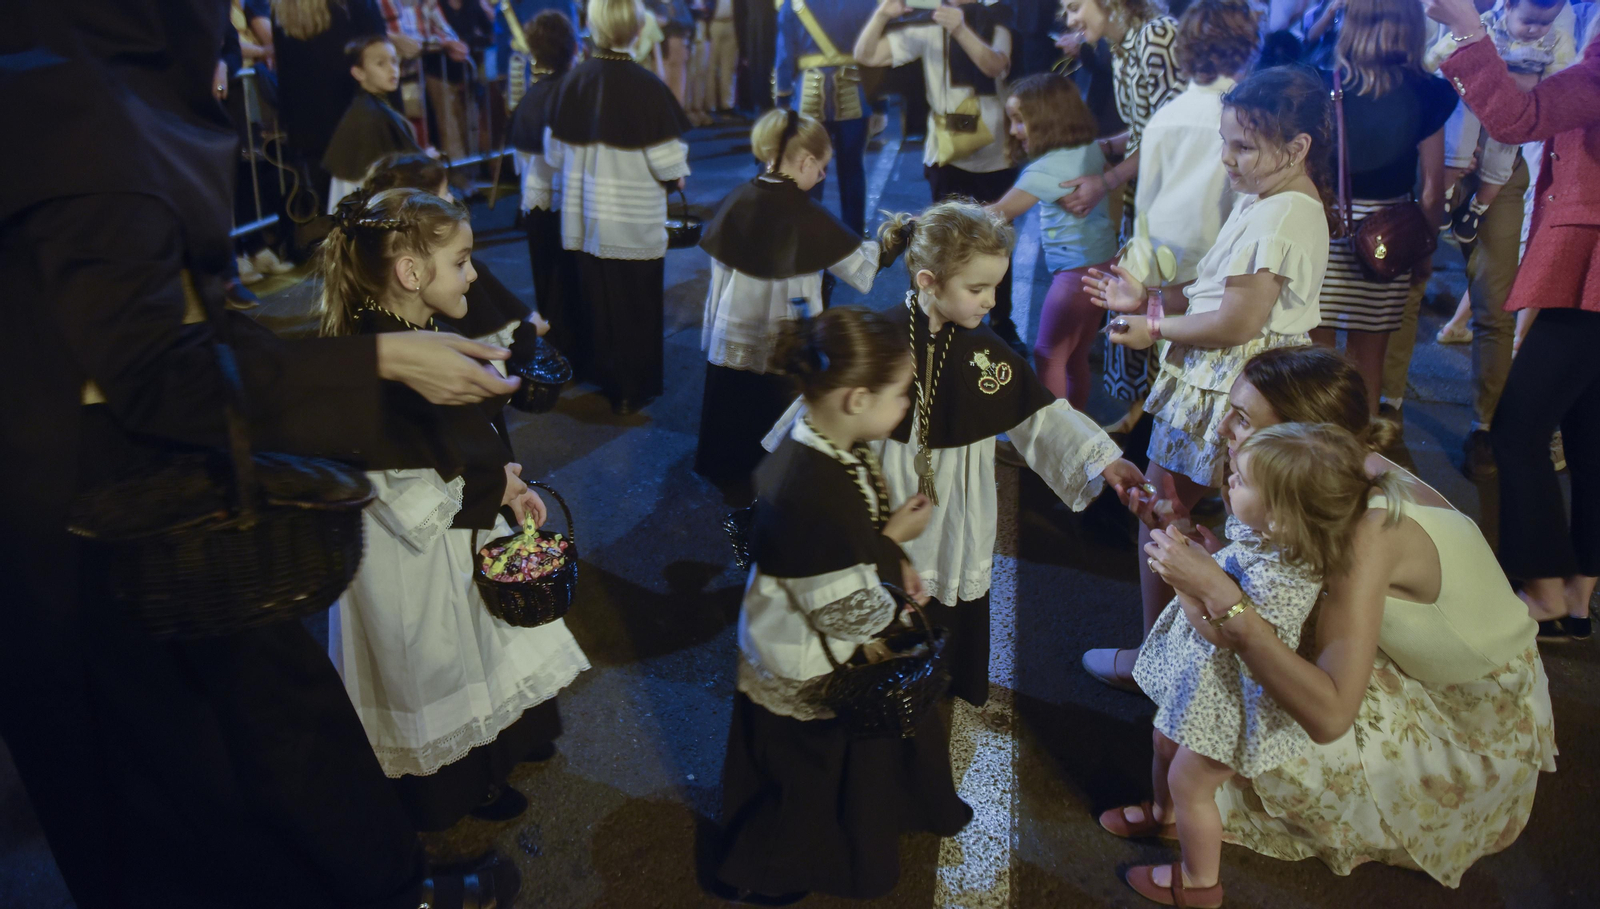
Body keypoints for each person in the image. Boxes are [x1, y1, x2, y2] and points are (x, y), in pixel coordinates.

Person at [0, 2, 527, 906]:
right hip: (96, 505)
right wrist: (386, 359)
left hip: (93, 485)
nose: (228, 63)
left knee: (238, 740)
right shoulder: (81, 115)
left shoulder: (57, 79)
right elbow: (156, 370)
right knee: (209, 759)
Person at [1122, 345, 1557, 889]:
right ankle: (1180, 800)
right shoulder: (1331, 478)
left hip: (1473, 708)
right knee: (1221, 694)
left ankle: (1197, 867)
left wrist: (1216, 594)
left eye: (1244, 419)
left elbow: (1328, 716)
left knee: (1243, 723)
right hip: (1411, 653)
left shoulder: (1363, 533)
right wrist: (1194, 546)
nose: (1223, 427)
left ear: (1303, 438)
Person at [768, 200, 1144, 707]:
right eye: (977, 289)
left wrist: (1103, 459)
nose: (990, 301)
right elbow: (831, 405)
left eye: (995, 287)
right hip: (890, 480)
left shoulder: (986, 350)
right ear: (928, 281)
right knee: (882, 580)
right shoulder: (881, 339)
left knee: (948, 577)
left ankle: (946, 676)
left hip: (956, 492)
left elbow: (1039, 414)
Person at [317, 187, 590, 832]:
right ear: (411, 273)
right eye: (464, 261)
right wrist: (490, 491)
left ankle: (506, 745)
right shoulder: (372, 367)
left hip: (461, 519)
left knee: (484, 638)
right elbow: (395, 493)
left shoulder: (420, 330)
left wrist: (506, 479)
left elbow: (468, 433)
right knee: (434, 660)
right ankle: (457, 787)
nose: (474, 273)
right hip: (411, 556)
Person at [1081, 65, 1332, 690]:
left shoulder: (1279, 215)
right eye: (1226, 142)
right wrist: (1153, 297)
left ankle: (1159, 661)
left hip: (1231, 382)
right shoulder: (1275, 200)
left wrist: (1154, 328)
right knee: (1199, 515)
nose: (1226, 159)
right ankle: (1190, 652)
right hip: (1246, 379)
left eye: (1243, 146)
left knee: (1165, 511)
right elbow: (1225, 295)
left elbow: (1237, 321)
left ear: (1297, 147)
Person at [714, 307, 970, 904]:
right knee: (805, 778)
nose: (906, 405)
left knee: (815, 768)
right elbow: (848, 613)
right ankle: (772, 874)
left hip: (789, 622)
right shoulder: (813, 491)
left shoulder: (816, 436)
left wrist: (883, 546)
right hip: (809, 657)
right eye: (902, 394)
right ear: (857, 398)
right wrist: (895, 564)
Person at [1113, 423, 1402, 907]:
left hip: (1235, 700)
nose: (1229, 479)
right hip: (1209, 686)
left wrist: (1187, 584)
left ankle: (1200, 881)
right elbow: (1233, 569)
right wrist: (1198, 545)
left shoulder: (1289, 577)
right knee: (1164, 738)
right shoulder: (1274, 538)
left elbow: (1224, 631)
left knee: (1191, 779)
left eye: (1243, 481)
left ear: (1285, 518)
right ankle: (1163, 816)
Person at [1426, 0, 1600, 638]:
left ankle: (1547, 592)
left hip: (1592, 272)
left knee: (1519, 431)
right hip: (1585, 267)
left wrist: (1469, 29)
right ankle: (1576, 595)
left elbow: (1519, 117)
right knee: (1588, 440)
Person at [695, 109, 899, 483]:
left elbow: (718, 275)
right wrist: (891, 245)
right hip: (784, 335)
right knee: (773, 406)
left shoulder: (738, 199)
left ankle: (723, 470)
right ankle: (768, 478)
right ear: (806, 161)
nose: (821, 177)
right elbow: (859, 269)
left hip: (734, 328)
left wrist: (712, 333)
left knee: (734, 403)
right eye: (821, 169)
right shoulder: (808, 214)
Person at [854, 0, 1031, 354]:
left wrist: (960, 28)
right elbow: (867, 54)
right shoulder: (928, 22)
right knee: (943, 241)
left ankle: (999, 319)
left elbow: (995, 64)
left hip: (994, 152)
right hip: (947, 153)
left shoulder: (995, 16)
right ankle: (935, 317)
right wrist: (883, 14)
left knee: (996, 241)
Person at [543, 0, 693, 414]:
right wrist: (677, 175)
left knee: (598, 303)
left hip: (586, 219)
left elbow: (553, 156)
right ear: (636, 28)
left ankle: (601, 376)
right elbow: (668, 164)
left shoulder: (573, 81)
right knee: (636, 308)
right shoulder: (647, 86)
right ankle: (632, 389)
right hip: (632, 220)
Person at [1308, 0, 1454, 417]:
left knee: (1316, 355)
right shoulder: (1429, 93)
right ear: (1411, 27)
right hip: (1388, 236)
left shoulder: (1323, 83)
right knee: (1368, 358)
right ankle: (1360, 452)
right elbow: (1431, 187)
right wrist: (1424, 252)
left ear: (1350, 23)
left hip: (1325, 226)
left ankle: (1313, 452)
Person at [1058, 0, 1182, 431]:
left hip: (1171, 204)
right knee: (1139, 298)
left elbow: (1171, 136)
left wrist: (1106, 181)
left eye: (1075, 7)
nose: (1070, 20)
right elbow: (1145, 129)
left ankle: (1164, 437)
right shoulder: (1123, 44)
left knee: (1164, 305)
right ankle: (1140, 419)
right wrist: (1104, 148)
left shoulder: (1157, 37)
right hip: (1146, 196)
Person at [985, 72, 1117, 408]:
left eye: (1020, 121)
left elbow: (996, 213)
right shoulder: (1087, 148)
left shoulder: (1044, 170)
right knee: (1075, 357)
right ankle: (1079, 431)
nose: (1014, 131)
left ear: (1046, 119)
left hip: (1076, 275)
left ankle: (1055, 443)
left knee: (1048, 355)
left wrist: (934, 216)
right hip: (1106, 265)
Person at [1133, 0, 1259, 317]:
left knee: (1170, 351)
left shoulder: (1165, 117)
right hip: (1219, 257)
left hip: (1163, 254)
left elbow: (1145, 203)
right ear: (1247, 45)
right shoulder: (1249, 118)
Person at [1426, 0, 1577, 245]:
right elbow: (1442, 54)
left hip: (1511, 112)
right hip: (1471, 102)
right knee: (1456, 149)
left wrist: (1502, 78)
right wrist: (1427, 73)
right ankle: (1443, 196)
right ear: (1508, 7)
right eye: (1527, 21)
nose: (1535, 30)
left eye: (1545, 23)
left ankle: (1476, 210)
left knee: (1498, 168)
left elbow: (1556, 84)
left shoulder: (1557, 41)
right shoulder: (1487, 26)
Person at [508, 9, 584, 356]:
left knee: (545, 275)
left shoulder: (531, 97)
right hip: (568, 196)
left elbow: (520, 158)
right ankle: (577, 345)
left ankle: (555, 341)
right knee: (572, 277)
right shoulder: (573, 92)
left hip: (535, 198)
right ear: (573, 48)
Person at [773, 0, 878, 237]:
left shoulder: (794, 4)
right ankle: (854, 237)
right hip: (854, 93)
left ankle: (811, 239)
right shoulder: (867, 3)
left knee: (807, 170)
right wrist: (879, 103)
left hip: (809, 97)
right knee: (853, 169)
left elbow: (784, 56)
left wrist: (782, 99)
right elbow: (874, 57)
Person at [272, 0, 390, 199]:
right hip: (354, 119)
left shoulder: (283, 9)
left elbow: (284, 74)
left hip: (309, 129)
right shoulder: (350, 7)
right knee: (370, 204)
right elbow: (376, 51)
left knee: (333, 205)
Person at [323, 35, 422, 213]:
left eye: (394, 61)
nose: (393, 70)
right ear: (359, 72)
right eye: (381, 64)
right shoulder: (367, 117)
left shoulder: (375, 109)